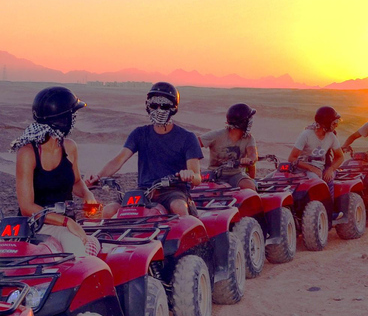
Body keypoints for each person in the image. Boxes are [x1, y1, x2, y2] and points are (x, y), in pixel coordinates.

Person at [87, 82, 202, 216]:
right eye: (154, 105)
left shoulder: (187, 137)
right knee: (108, 210)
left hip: (173, 191)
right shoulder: (140, 134)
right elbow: (119, 159)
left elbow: (197, 177)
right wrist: (99, 176)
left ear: (173, 108)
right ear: (148, 106)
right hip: (144, 190)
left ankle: (185, 235)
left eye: (164, 106)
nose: (159, 110)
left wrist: (189, 175)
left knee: (179, 207)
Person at [13, 86, 98, 256]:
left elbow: (75, 182)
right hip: (37, 224)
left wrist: (88, 195)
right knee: (76, 249)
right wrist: (66, 222)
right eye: (72, 115)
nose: (74, 119)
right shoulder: (28, 153)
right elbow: (26, 208)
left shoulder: (69, 147)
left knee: (95, 242)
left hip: (64, 222)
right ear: (64, 120)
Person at [287, 106, 345, 198]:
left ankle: (329, 209)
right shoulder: (306, 135)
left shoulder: (331, 136)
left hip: (320, 169)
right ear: (327, 123)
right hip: (303, 169)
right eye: (334, 122)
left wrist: (331, 169)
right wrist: (311, 168)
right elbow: (291, 158)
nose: (336, 124)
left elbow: (340, 156)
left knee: (329, 180)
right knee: (316, 184)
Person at [199, 103, 258, 190]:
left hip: (235, 174)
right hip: (213, 173)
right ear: (244, 122)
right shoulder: (217, 135)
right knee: (200, 190)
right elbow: (193, 144)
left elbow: (253, 154)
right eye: (249, 119)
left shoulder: (248, 138)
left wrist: (249, 159)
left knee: (249, 186)